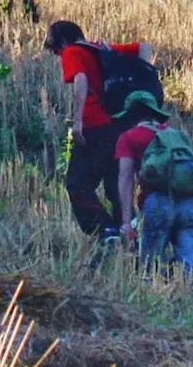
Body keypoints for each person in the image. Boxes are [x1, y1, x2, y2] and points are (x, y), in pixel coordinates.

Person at [44, 20, 154, 242]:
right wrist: (142, 77)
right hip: (122, 126)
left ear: (63, 41)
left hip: (95, 126)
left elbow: (81, 79)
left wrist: (77, 122)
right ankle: (128, 233)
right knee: (115, 184)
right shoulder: (100, 49)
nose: (59, 56)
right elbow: (145, 48)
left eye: (56, 51)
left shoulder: (73, 51)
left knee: (77, 183)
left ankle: (105, 231)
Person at [114, 91, 193, 275]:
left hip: (158, 202)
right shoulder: (177, 136)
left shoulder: (129, 137)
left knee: (149, 270)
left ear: (131, 115)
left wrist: (126, 223)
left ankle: (150, 298)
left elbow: (125, 178)